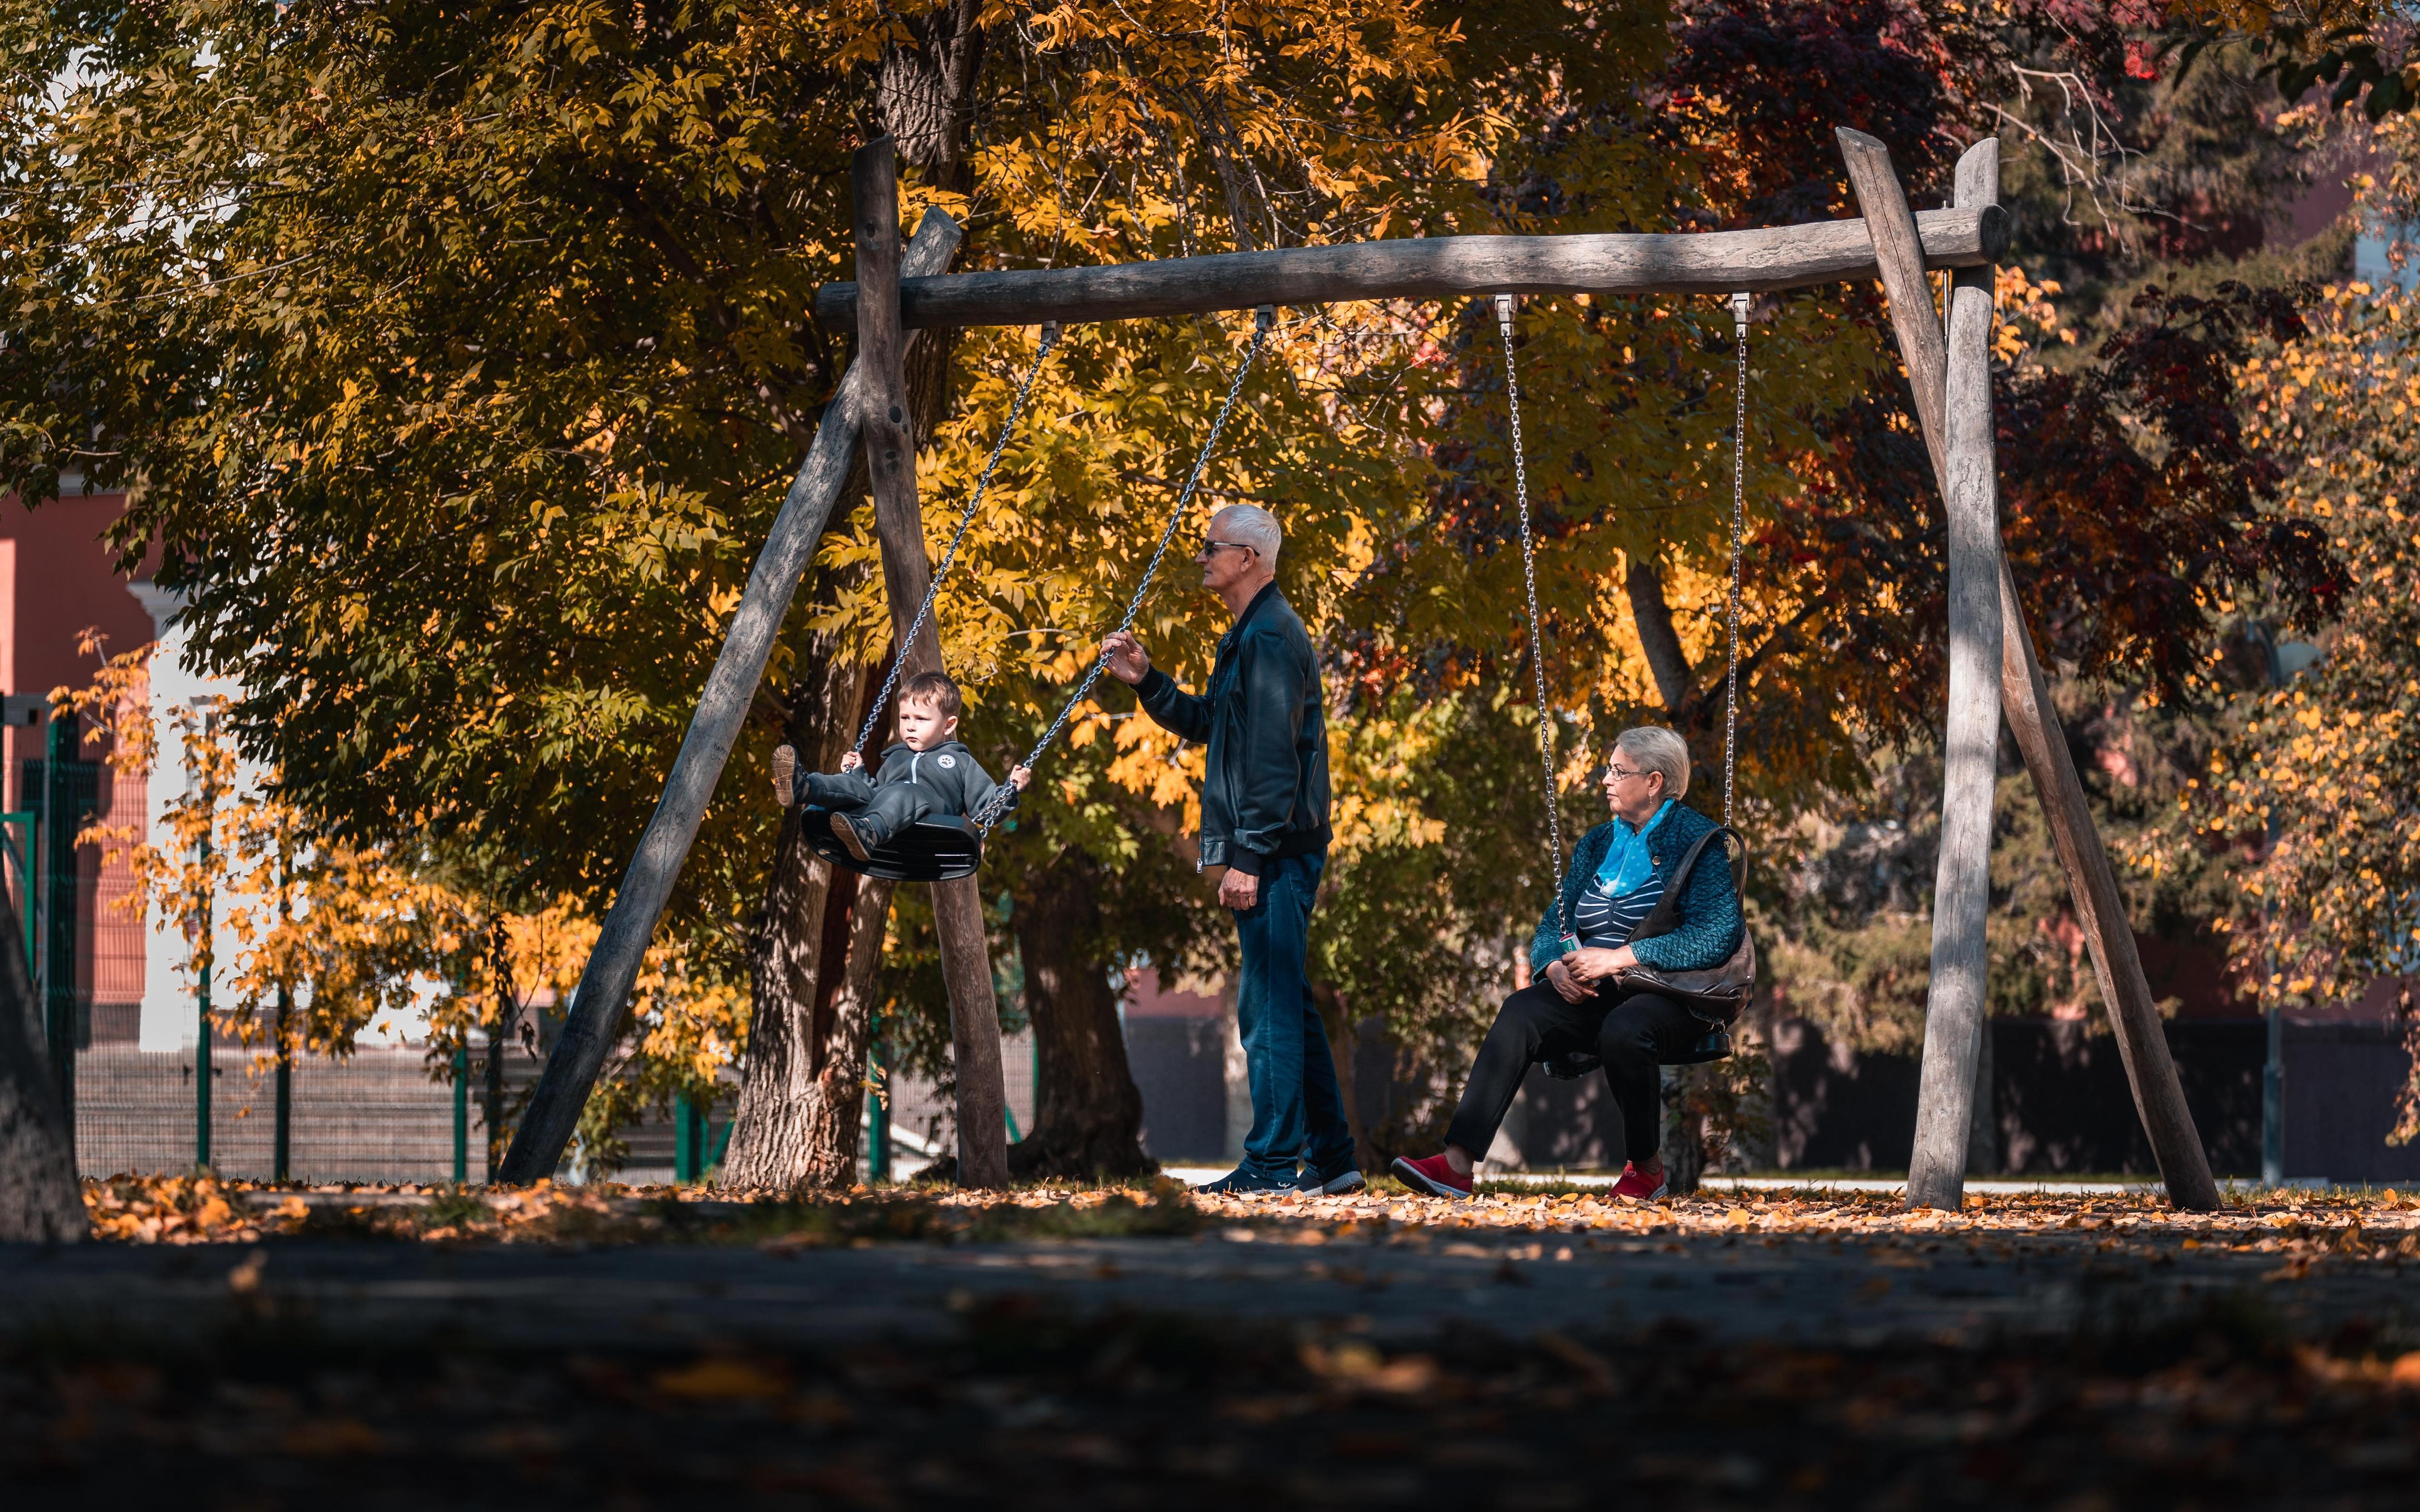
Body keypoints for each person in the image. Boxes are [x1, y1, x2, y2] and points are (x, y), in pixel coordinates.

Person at [1101, 504, 1362, 1197]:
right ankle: (1334, 1160)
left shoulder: (1272, 635)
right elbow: (1212, 723)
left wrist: (1248, 856)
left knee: (1266, 1009)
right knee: (1289, 1004)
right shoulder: (1251, 632)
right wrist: (1147, 681)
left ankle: (1273, 1165)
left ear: (1248, 558)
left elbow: (1275, 762)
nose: (1202, 556)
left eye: (1211, 547)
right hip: (1272, 844)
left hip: (1276, 850)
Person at [1392, 726, 1743, 1201]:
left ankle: (1646, 1169)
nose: (1605, 779)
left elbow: (1715, 934)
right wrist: (1553, 966)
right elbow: (1552, 925)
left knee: (1625, 1028)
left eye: (1618, 771)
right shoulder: (1598, 843)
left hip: (1670, 995)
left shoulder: (1697, 841)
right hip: (1597, 989)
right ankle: (1455, 1165)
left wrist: (1619, 957)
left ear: (1655, 781)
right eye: (1607, 769)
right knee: (1520, 1011)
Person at [771, 671, 1030, 861]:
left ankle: (869, 832)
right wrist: (858, 772)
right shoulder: (896, 757)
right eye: (905, 717)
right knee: (855, 784)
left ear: (948, 725)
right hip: (891, 815)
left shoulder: (960, 761)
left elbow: (986, 810)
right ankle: (803, 786)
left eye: (921, 719)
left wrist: (1011, 789)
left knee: (905, 791)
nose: (910, 725)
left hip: (932, 822)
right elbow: (877, 794)